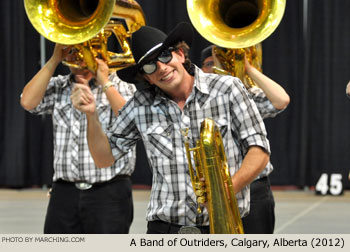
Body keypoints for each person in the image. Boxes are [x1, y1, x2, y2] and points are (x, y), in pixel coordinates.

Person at [72, 22, 271, 234]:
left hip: (223, 223)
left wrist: (225, 192)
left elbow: (259, 149)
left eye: (164, 56)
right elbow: (104, 158)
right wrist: (90, 115)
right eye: (149, 66)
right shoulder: (141, 104)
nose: (161, 68)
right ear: (146, 77)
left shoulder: (227, 88)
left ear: (180, 54)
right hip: (165, 229)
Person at [20, 44, 136, 234]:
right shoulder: (58, 85)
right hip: (65, 192)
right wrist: (54, 59)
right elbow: (27, 102)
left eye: (85, 50)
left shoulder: (119, 85)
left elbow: (132, 122)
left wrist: (104, 81)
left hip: (108, 193)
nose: (79, 57)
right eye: (73, 50)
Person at [200, 45, 290, 233]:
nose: (215, 67)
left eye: (222, 63)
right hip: (216, 187)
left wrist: (248, 68)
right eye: (209, 64)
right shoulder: (198, 99)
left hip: (254, 188)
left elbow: (281, 100)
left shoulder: (246, 94)